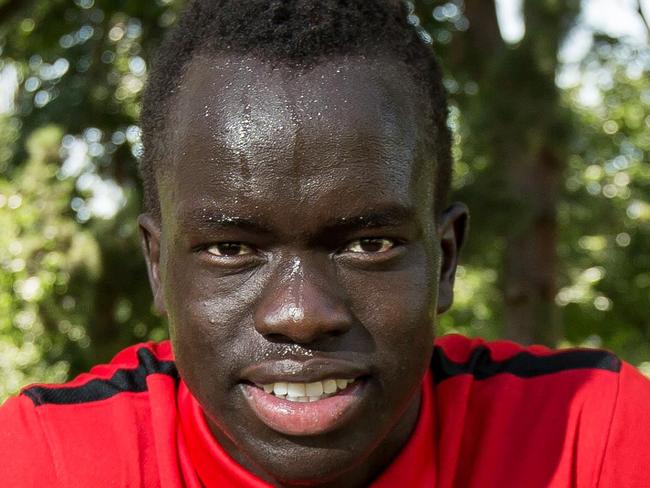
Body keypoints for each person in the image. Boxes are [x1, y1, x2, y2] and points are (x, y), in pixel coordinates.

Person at [1, 1, 649, 486]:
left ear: (445, 257)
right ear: (158, 265)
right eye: (231, 249)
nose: (301, 314)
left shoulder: (590, 440)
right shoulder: (49, 463)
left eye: (369, 244)